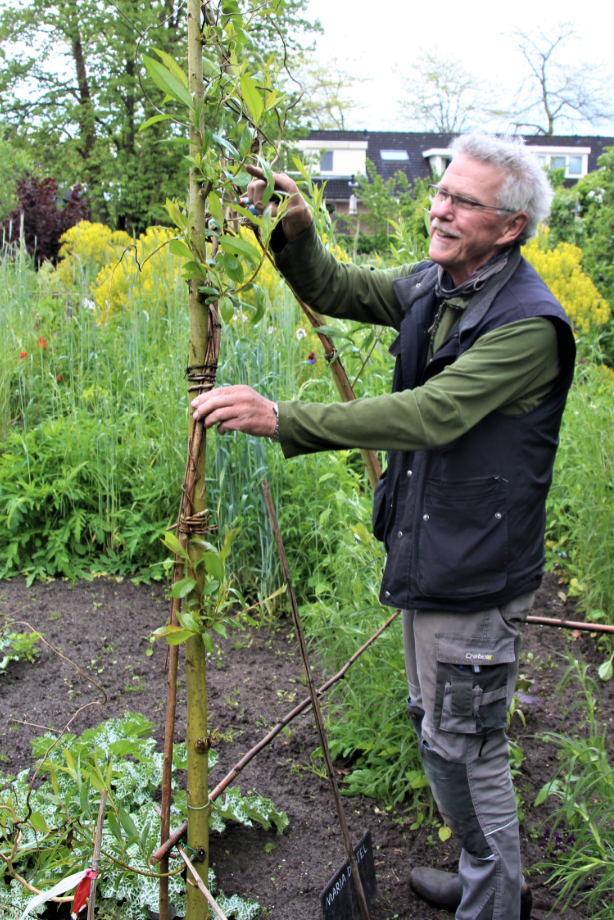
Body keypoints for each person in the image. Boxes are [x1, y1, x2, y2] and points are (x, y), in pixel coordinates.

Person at [191, 134, 576, 920]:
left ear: (508, 227)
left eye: (463, 201)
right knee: (438, 729)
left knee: (466, 748)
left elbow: (432, 413)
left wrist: (284, 417)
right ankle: (483, 873)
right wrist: (297, 231)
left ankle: (497, 904)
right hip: (437, 548)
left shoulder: (528, 327)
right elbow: (342, 288)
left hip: (475, 567)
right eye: (442, 191)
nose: (440, 207)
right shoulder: (440, 283)